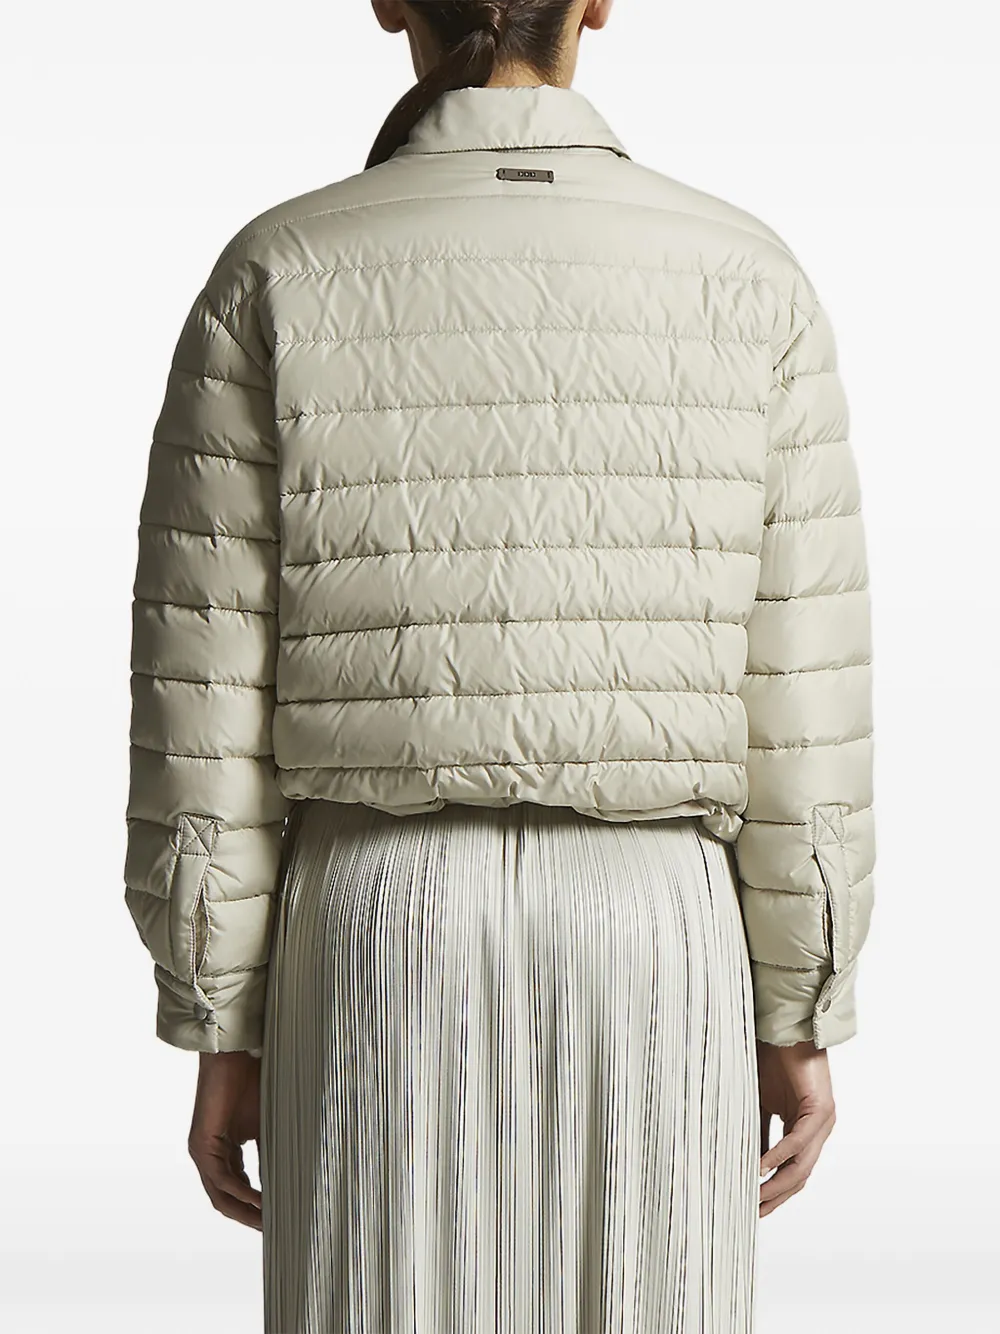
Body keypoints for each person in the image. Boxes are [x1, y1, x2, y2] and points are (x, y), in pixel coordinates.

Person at [122, 1, 876, 1329]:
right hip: (654, 931)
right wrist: (798, 1001)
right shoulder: (748, 278)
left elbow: (204, 688)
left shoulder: (278, 270)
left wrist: (218, 1011)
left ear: (389, 2)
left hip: (373, 929)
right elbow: (802, 690)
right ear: (598, 3)